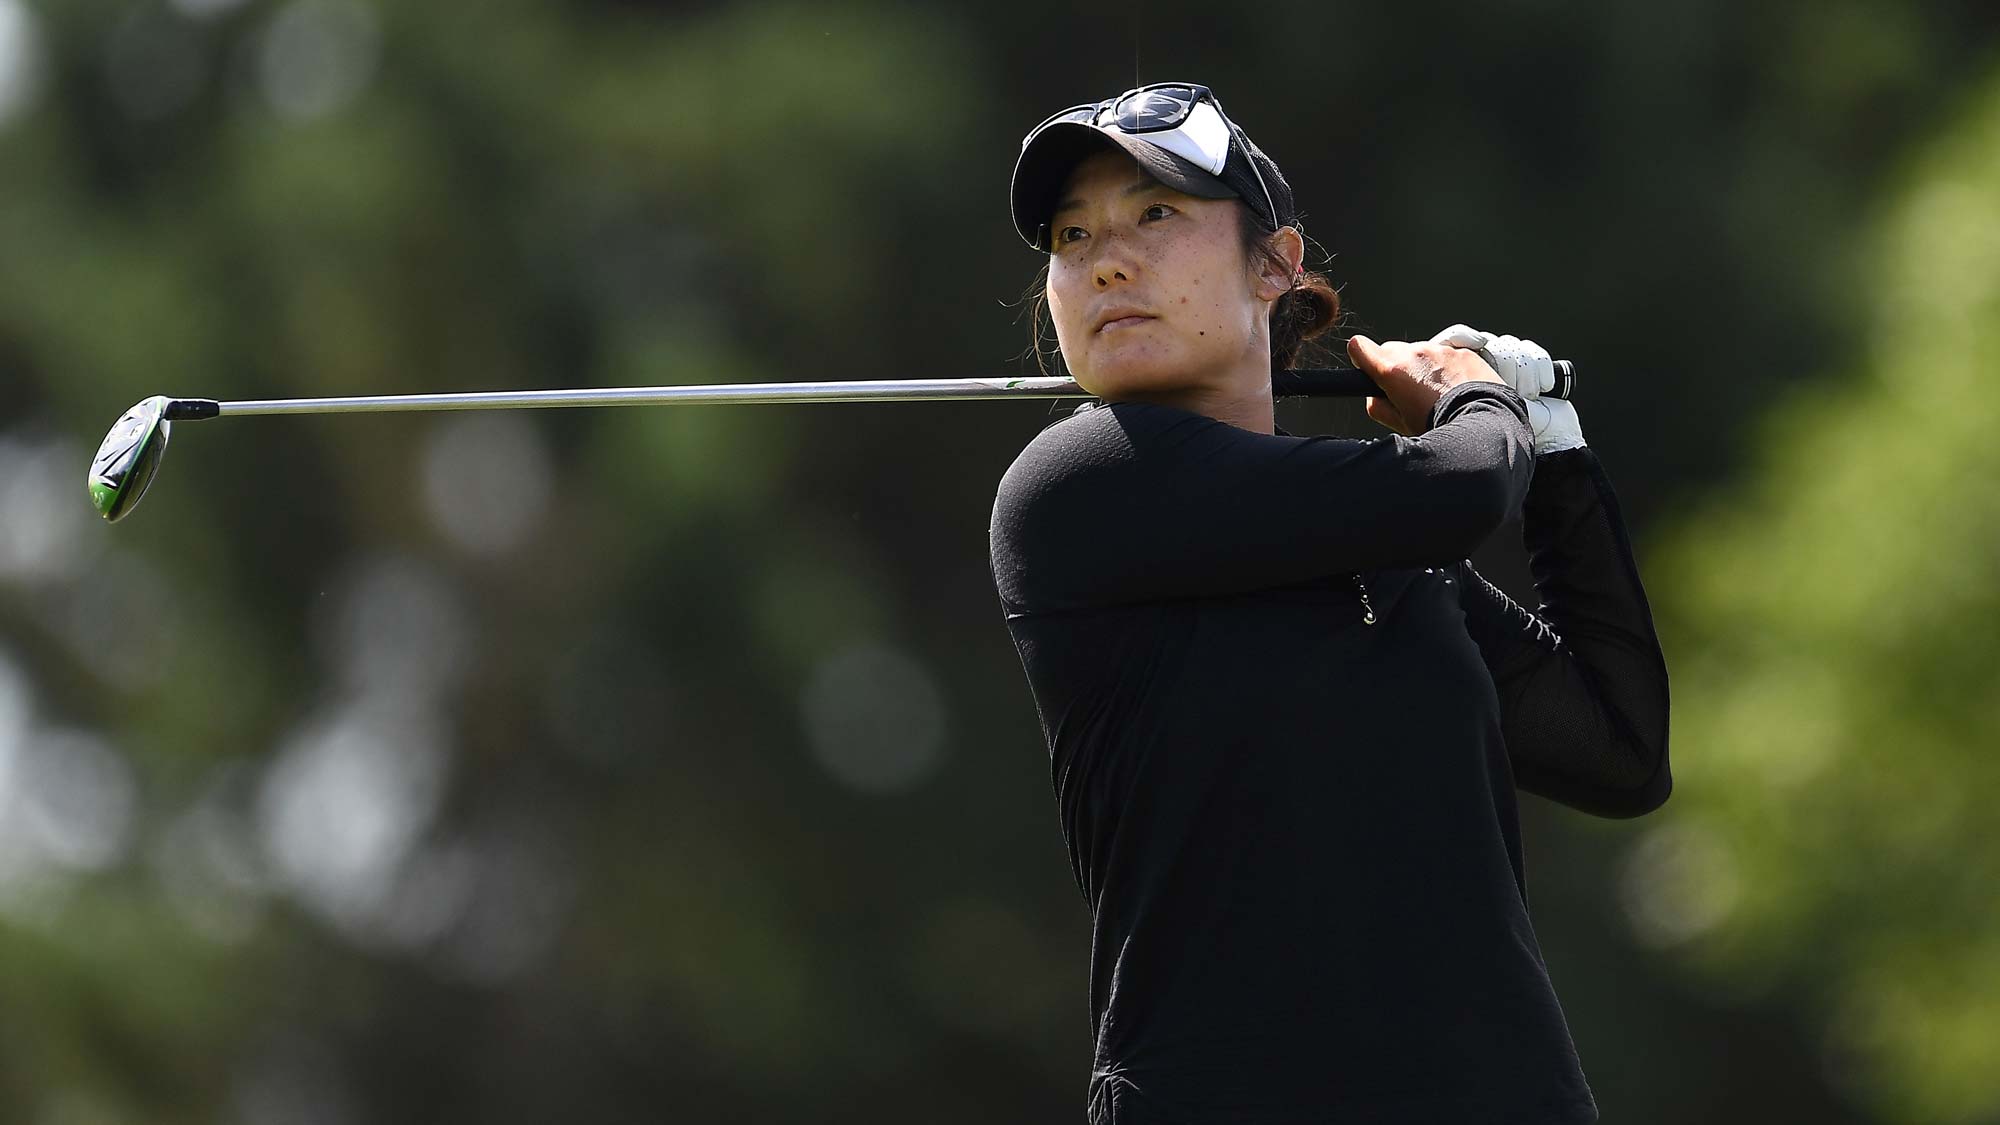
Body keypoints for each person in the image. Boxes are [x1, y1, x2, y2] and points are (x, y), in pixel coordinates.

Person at [988, 82, 1672, 1125]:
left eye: (1154, 214)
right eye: (1071, 236)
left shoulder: (1385, 552)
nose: (1104, 260)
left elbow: (1619, 750)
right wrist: (1481, 395)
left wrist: (1560, 453)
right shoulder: (1082, 482)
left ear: (1276, 265)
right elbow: (1462, 481)